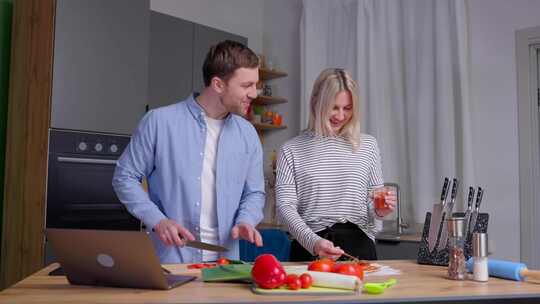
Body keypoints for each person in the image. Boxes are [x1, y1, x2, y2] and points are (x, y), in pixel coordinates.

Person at [113, 40, 265, 264]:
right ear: (218, 84)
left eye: (256, 85)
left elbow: (254, 193)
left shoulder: (248, 134)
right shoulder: (159, 122)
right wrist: (158, 221)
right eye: (246, 85)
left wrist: (247, 220)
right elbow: (124, 178)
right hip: (171, 261)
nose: (254, 93)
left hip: (226, 267)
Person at [276, 68, 396, 261]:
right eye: (334, 107)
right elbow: (285, 208)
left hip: (360, 249)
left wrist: (381, 210)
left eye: (347, 108)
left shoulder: (368, 145)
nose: (340, 116)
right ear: (316, 102)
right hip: (310, 248)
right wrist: (313, 242)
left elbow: (374, 202)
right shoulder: (291, 150)